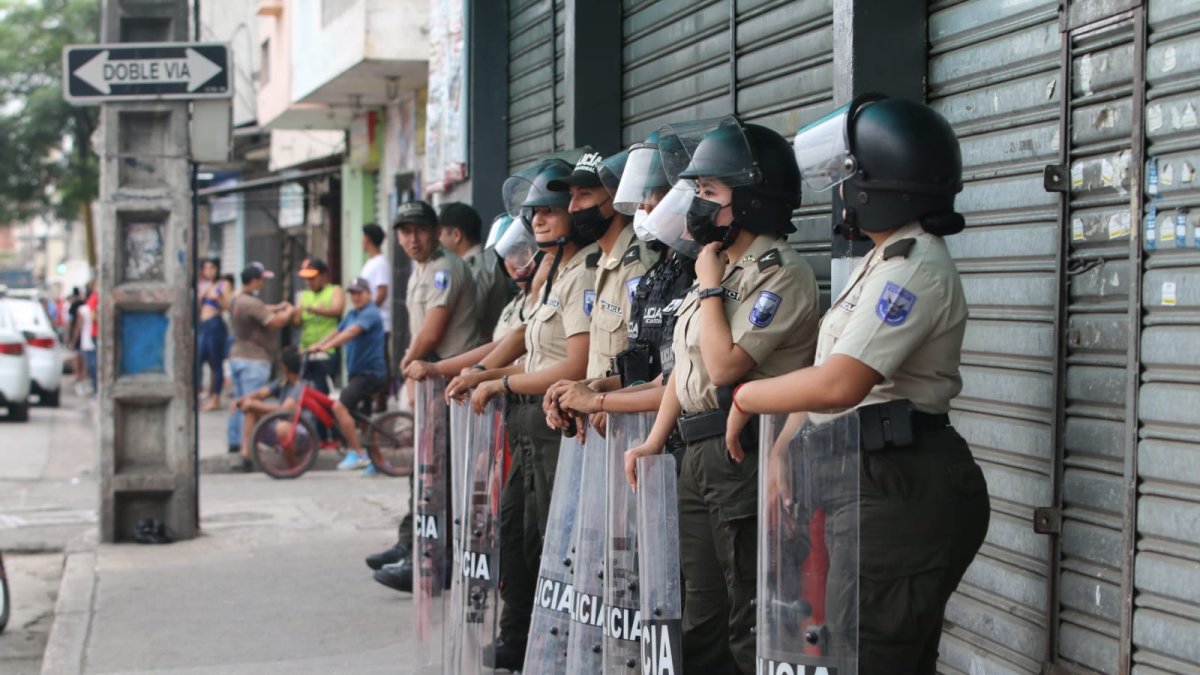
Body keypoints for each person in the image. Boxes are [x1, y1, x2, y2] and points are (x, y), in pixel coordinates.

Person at [724, 95, 991, 674]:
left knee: (869, 655)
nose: (840, 192)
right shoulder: (879, 262)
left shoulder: (912, 268)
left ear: (881, 184)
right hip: (868, 477)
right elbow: (827, 371)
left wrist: (745, 397)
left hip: (900, 482)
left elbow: (840, 384)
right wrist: (781, 447)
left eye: (847, 178)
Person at [623, 117, 821, 674]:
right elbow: (683, 373)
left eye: (711, 192)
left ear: (752, 199)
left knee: (748, 612)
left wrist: (707, 286)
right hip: (698, 454)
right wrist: (654, 442)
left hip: (747, 455)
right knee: (700, 611)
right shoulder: (718, 266)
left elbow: (725, 364)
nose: (699, 206)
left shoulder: (780, 274)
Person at [461, 156, 599, 671]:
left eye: (550, 209)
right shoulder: (553, 271)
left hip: (553, 420)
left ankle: (555, 645)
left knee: (552, 537)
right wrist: (481, 371)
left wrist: (496, 379)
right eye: (533, 212)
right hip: (525, 417)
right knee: (519, 533)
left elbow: (575, 363)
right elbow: (524, 341)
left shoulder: (584, 271)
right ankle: (525, 637)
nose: (537, 219)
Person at [553, 131, 695, 464]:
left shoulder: (691, 266)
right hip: (631, 426)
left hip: (668, 435)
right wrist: (598, 389)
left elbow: (678, 374)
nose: (643, 206)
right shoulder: (660, 266)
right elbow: (650, 364)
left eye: (585, 195)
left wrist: (603, 398)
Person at [541, 148, 657, 437]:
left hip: (631, 425)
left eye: (584, 195)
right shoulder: (601, 261)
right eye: (571, 196)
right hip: (602, 420)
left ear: (616, 200)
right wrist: (577, 395)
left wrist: (602, 399)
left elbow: (648, 359)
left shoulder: (638, 265)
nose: (572, 207)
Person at [305, 277, 388, 471]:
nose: (356, 297)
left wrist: (327, 347)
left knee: (339, 407)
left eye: (359, 293)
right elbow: (338, 330)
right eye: (352, 293)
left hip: (370, 374)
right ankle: (379, 463)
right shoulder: (352, 313)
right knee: (364, 421)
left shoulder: (370, 313)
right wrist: (319, 344)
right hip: (357, 373)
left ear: (369, 294)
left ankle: (358, 453)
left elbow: (351, 332)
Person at [227, 262, 293, 459]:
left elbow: (261, 309)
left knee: (238, 401)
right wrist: (289, 311)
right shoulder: (251, 303)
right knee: (250, 405)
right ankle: (246, 448)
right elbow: (275, 322)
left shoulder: (237, 299)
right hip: (253, 360)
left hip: (238, 356)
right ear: (254, 281)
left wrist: (276, 307)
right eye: (262, 279)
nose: (263, 283)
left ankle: (235, 442)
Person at [438, 201, 514, 339]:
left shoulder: (477, 268)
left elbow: (470, 316)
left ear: (456, 235)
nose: (438, 241)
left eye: (439, 234)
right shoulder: (478, 263)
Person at [230, 346, 309, 471]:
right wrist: (242, 400)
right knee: (251, 412)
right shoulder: (283, 381)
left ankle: (293, 467)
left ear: (285, 367)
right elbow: (262, 393)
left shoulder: (302, 386)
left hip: (301, 432)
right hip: (281, 427)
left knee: (282, 427)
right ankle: (246, 457)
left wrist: (256, 405)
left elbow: (285, 409)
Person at [292, 257, 344, 394]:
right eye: (306, 279)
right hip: (306, 350)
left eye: (312, 278)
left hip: (325, 351)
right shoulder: (304, 296)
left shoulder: (334, 290)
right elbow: (296, 323)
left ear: (323, 276)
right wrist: (294, 314)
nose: (308, 282)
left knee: (322, 389)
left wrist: (317, 310)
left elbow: (338, 310)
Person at [197, 258, 231, 411]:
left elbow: (228, 306)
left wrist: (219, 297)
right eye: (206, 268)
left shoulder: (223, 285)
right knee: (198, 360)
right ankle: (200, 393)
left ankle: (216, 397)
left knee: (216, 363)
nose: (208, 271)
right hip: (203, 325)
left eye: (212, 268)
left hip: (216, 324)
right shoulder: (203, 285)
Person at [360, 223, 392, 380]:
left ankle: (381, 397)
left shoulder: (380, 263)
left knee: (380, 359)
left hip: (380, 322)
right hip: (371, 322)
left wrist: (369, 311)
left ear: (367, 239)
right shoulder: (371, 263)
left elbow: (382, 292)